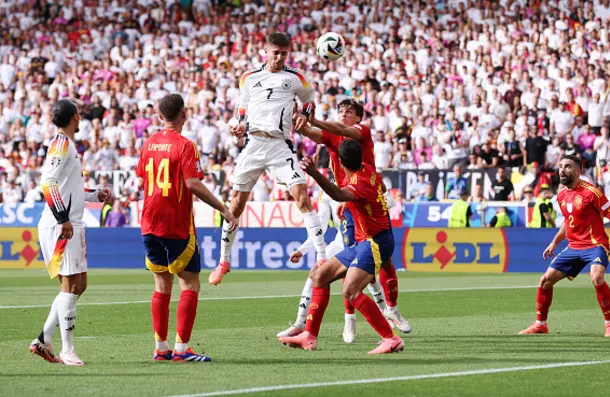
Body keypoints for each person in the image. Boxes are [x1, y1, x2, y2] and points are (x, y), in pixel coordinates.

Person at [282, 99, 411, 343]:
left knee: (379, 262)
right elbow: (310, 132)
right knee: (349, 264)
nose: (344, 114)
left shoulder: (361, 132)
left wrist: (314, 121)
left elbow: (338, 130)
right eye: (340, 111)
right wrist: (296, 119)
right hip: (347, 202)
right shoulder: (332, 136)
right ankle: (348, 319)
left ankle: (390, 310)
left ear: (359, 117)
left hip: (359, 196)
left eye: (349, 111)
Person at [208, 32, 326, 285]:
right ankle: (223, 261)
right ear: (266, 51)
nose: (280, 58)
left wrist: (304, 114)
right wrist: (240, 125)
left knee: (302, 197)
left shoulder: (295, 78)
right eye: (276, 53)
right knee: (236, 206)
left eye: (284, 53)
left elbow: (309, 101)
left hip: (280, 146)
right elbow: (243, 108)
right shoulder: (249, 78)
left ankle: (322, 257)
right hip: (253, 145)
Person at [136, 94, 236, 362]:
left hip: (148, 222)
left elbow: (142, 179)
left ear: (160, 116)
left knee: (161, 286)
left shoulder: (148, 144)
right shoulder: (186, 145)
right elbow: (192, 183)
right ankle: (182, 349)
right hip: (176, 224)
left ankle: (161, 347)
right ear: (184, 115)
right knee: (190, 284)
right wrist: (223, 208)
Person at [30, 99, 111, 366]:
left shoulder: (66, 145)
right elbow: (47, 181)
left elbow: (69, 189)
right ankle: (66, 349)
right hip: (61, 223)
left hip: (68, 221)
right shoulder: (62, 144)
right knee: (70, 285)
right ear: (76, 117)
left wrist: (95, 195)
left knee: (78, 285)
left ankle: (44, 338)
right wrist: (62, 216)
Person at [519, 155, 610, 337]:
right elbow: (568, 222)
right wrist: (554, 242)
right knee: (545, 281)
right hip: (574, 247)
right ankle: (540, 324)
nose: (562, 170)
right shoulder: (561, 196)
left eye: (567, 166)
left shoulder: (592, 192)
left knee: (597, 277)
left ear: (577, 171)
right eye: (560, 166)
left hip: (595, 245)